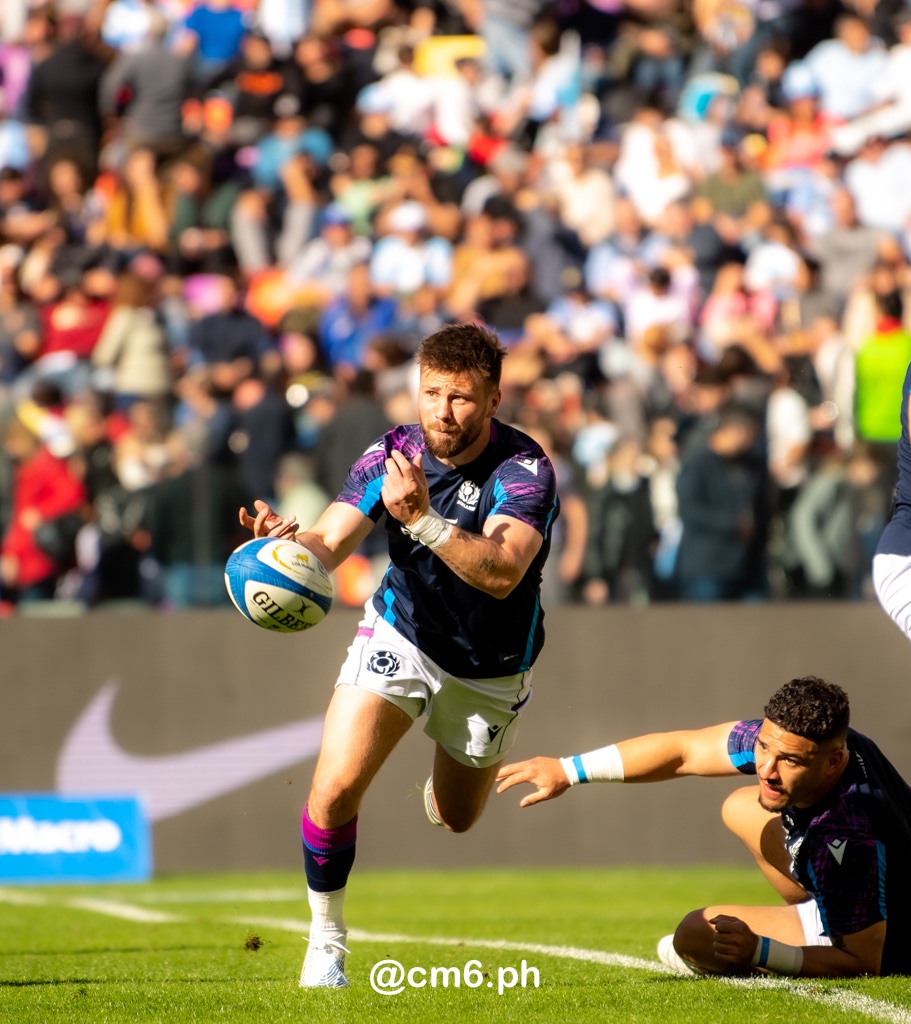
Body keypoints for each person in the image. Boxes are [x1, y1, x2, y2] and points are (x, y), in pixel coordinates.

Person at [238, 323, 559, 988]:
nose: (443, 411)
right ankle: (326, 941)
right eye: (431, 392)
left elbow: (501, 572)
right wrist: (288, 550)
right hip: (401, 633)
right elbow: (330, 539)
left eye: (461, 398)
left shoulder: (524, 469)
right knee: (332, 790)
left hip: (489, 664)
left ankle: (441, 775)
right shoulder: (392, 451)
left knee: (458, 818)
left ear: (493, 399)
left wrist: (420, 521)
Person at [497, 676, 911, 977]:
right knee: (741, 805)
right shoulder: (806, 742)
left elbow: (864, 963)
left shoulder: (848, 835)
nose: (766, 768)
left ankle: (809, 934)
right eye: (763, 747)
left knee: (695, 936)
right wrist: (568, 771)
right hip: (850, 884)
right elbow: (685, 751)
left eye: (790, 761)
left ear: (833, 762)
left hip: (882, 936)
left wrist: (763, 951)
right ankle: (810, 908)